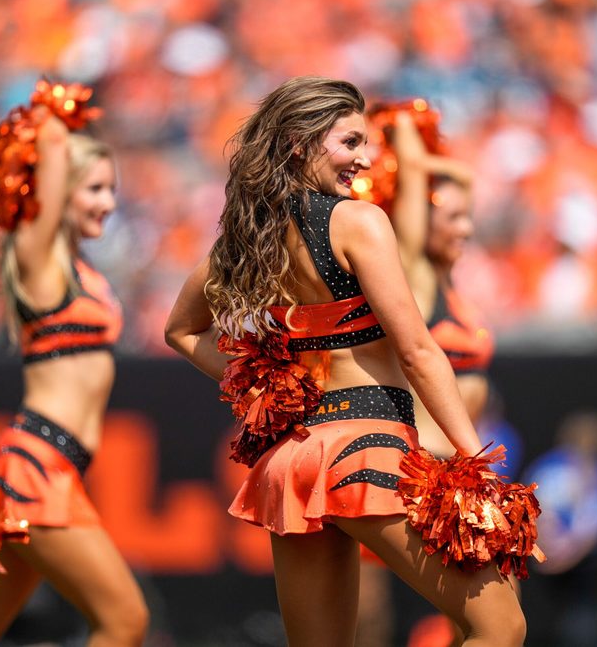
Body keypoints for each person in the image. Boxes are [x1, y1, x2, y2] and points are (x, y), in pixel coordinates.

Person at [165, 76, 535, 646]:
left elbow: (180, 330)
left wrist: (261, 387)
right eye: (350, 142)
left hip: (291, 459)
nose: (364, 159)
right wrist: (474, 461)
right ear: (299, 143)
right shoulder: (358, 221)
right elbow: (417, 351)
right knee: (501, 627)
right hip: (365, 447)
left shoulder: (246, 240)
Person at [0, 83, 148, 647]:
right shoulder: (40, 260)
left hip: (51, 466)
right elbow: (48, 144)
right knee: (125, 621)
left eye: (112, 189)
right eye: (93, 189)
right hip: (35, 467)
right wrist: (56, 110)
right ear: (59, 189)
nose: (107, 203)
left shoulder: (81, 268)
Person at [357, 103, 490, 647]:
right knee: (366, 620)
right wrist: (405, 123)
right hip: (417, 468)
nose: (466, 228)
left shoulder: (453, 287)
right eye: (451, 217)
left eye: (467, 217)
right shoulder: (412, 274)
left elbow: (460, 185)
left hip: (455, 471)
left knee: (482, 617)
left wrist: (454, 181)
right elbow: (413, 174)